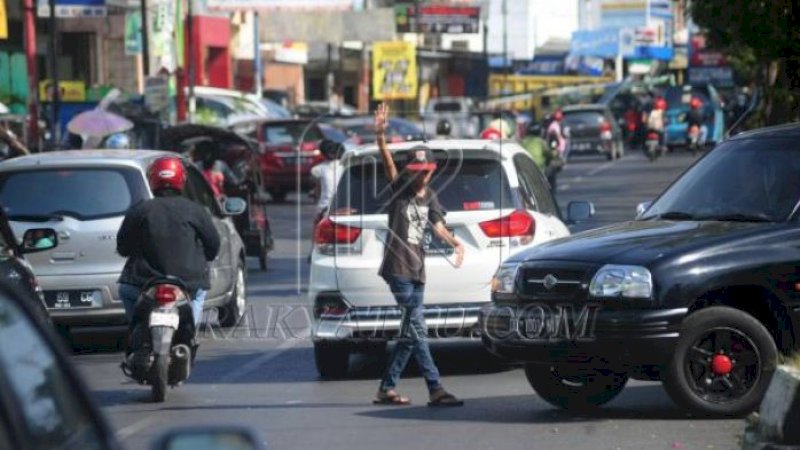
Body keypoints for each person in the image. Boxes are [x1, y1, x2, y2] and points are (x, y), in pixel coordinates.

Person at [373, 103, 465, 407]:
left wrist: (455, 242)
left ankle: (386, 388)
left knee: (410, 333)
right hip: (398, 267)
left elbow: (438, 226)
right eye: (416, 171)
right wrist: (381, 138)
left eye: (425, 171)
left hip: (418, 270)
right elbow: (388, 164)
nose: (421, 177)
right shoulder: (401, 187)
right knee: (417, 329)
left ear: (431, 171)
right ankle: (435, 387)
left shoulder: (431, 196)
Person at [116, 156, 221, 330]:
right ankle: (189, 335)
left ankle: (136, 330)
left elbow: (123, 247)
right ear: (181, 180)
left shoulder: (140, 209)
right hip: (189, 282)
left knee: (125, 292)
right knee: (198, 295)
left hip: (143, 281)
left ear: (152, 180)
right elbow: (213, 246)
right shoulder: (195, 210)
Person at [521, 122, 562, 188]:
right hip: (538, 168)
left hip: (524, 168)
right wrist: (556, 154)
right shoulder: (540, 142)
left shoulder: (523, 141)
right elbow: (550, 154)